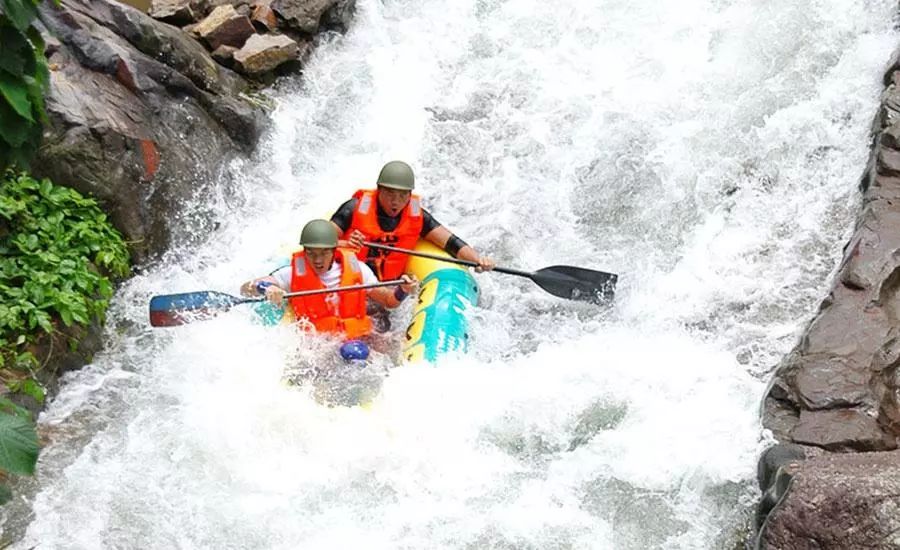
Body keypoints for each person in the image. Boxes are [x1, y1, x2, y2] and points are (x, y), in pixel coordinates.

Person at [240, 219, 416, 340]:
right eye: (311, 253)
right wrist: (267, 288)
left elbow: (389, 301)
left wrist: (404, 290)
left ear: (334, 250)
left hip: (353, 337)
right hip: (317, 343)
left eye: (324, 253)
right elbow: (247, 287)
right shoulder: (291, 273)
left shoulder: (358, 270)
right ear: (305, 251)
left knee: (358, 352)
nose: (317, 260)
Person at [330, 160, 495, 281]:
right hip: (349, 279)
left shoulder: (418, 216)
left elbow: (451, 243)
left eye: (402, 195)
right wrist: (346, 244)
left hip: (388, 288)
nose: (396, 201)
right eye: (390, 194)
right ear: (379, 190)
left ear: (410, 195)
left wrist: (478, 260)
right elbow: (319, 243)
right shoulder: (353, 208)